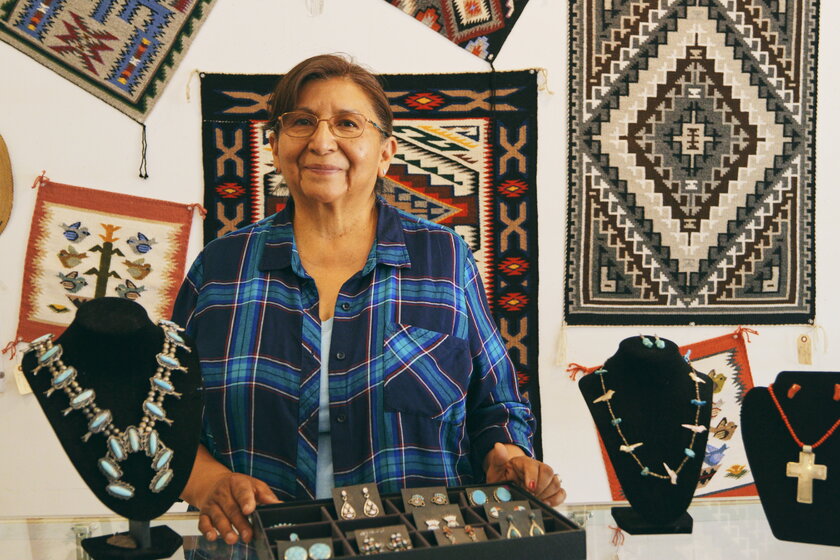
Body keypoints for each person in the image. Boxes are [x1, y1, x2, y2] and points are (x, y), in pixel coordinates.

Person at [173, 54, 565, 545]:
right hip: (253, 549)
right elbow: (161, 418)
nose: (321, 141)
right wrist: (208, 482)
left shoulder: (444, 260)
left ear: (385, 152)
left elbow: (497, 405)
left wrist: (506, 456)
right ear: (274, 146)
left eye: (347, 124)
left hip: (422, 546)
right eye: (300, 122)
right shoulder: (220, 269)